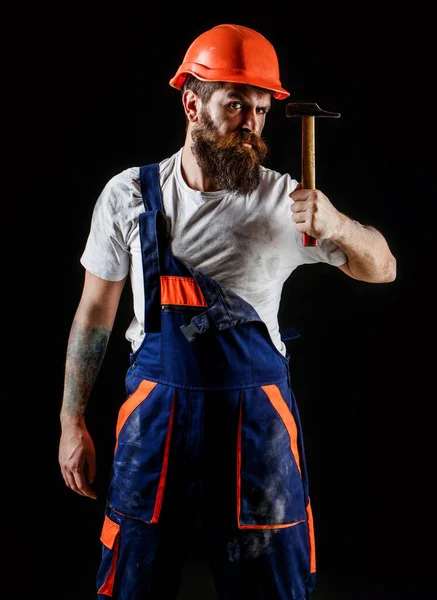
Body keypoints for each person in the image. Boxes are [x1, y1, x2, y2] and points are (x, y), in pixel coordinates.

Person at [58, 23, 396, 600]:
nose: (251, 124)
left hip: (256, 424)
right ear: (192, 103)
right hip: (154, 418)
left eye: (262, 110)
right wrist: (71, 421)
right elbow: (94, 314)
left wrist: (336, 224)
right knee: (133, 576)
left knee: (270, 582)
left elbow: (383, 267)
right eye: (237, 104)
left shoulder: (285, 201)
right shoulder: (130, 195)